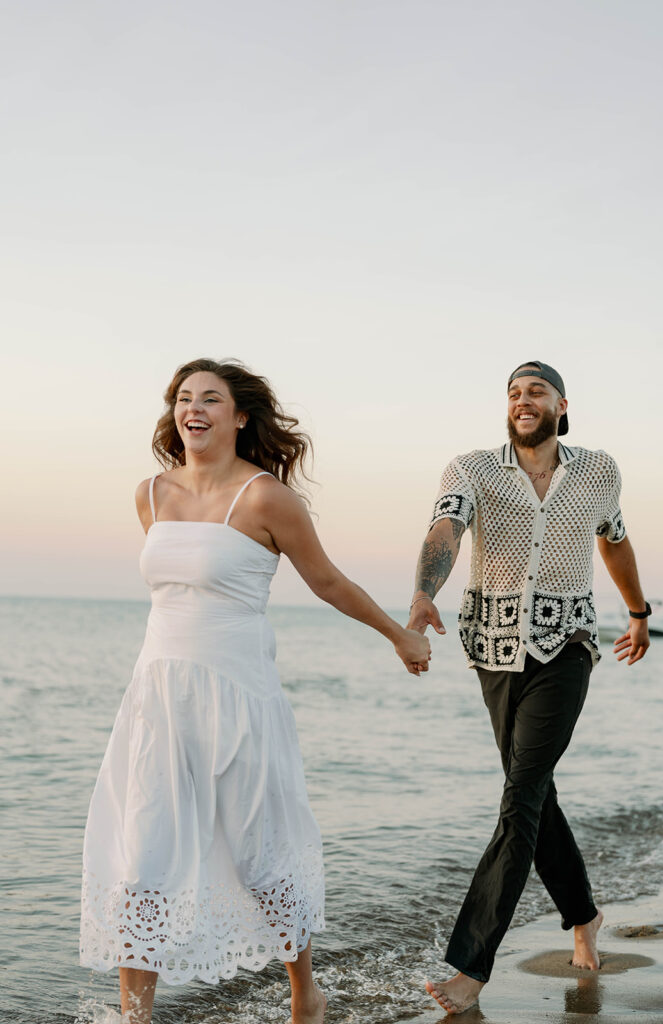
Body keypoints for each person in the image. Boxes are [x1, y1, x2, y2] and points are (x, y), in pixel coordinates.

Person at [80, 357, 431, 1024]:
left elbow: (327, 581)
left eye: (210, 398)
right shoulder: (149, 495)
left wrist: (397, 635)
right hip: (156, 703)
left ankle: (305, 990)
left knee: (258, 855)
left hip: (237, 699)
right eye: (185, 397)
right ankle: (136, 1018)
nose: (195, 408)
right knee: (138, 860)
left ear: (240, 416)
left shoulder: (266, 497)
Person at [407, 360, 650, 1015]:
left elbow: (614, 540)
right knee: (531, 789)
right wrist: (424, 593)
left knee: (519, 796)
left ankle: (470, 965)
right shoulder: (471, 469)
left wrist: (637, 611)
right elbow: (446, 529)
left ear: (560, 404)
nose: (521, 400)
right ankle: (582, 916)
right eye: (512, 392)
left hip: (566, 647)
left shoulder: (597, 470)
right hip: (491, 650)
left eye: (534, 391)